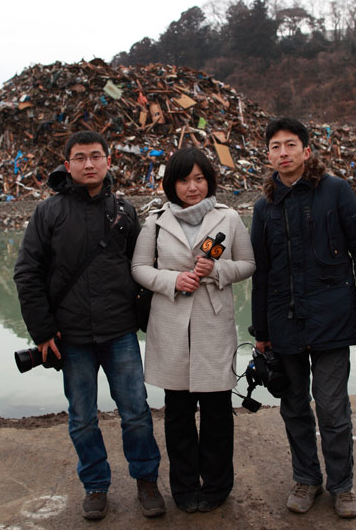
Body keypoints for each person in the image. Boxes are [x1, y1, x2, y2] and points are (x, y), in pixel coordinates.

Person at [14, 130, 165, 521]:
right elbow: (27, 273)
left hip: (119, 332)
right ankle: (96, 485)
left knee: (135, 411)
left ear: (108, 161)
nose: (88, 164)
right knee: (82, 417)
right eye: (79, 158)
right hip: (71, 336)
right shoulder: (49, 213)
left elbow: (143, 269)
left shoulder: (125, 212)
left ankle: (146, 480)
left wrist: (142, 317)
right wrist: (43, 332)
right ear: (68, 165)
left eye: (96, 156)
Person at [250, 117, 356, 519]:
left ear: (307, 151)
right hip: (284, 324)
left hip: (332, 320)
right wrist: (261, 331)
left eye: (291, 145)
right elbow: (261, 272)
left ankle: (342, 486)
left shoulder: (336, 191)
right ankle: (306, 479)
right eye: (276, 147)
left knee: (331, 408)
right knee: (294, 407)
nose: (284, 153)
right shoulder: (264, 206)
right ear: (269, 155)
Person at [131, 148, 255, 513]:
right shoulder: (154, 221)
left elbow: (248, 263)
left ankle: (217, 485)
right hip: (170, 324)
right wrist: (173, 280)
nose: (192, 187)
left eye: (199, 179)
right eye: (184, 180)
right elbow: (138, 267)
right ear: (172, 184)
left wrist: (217, 272)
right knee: (178, 413)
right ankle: (185, 488)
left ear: (209, 181)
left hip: (213, 324)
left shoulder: (228, 217)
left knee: (217, 410)